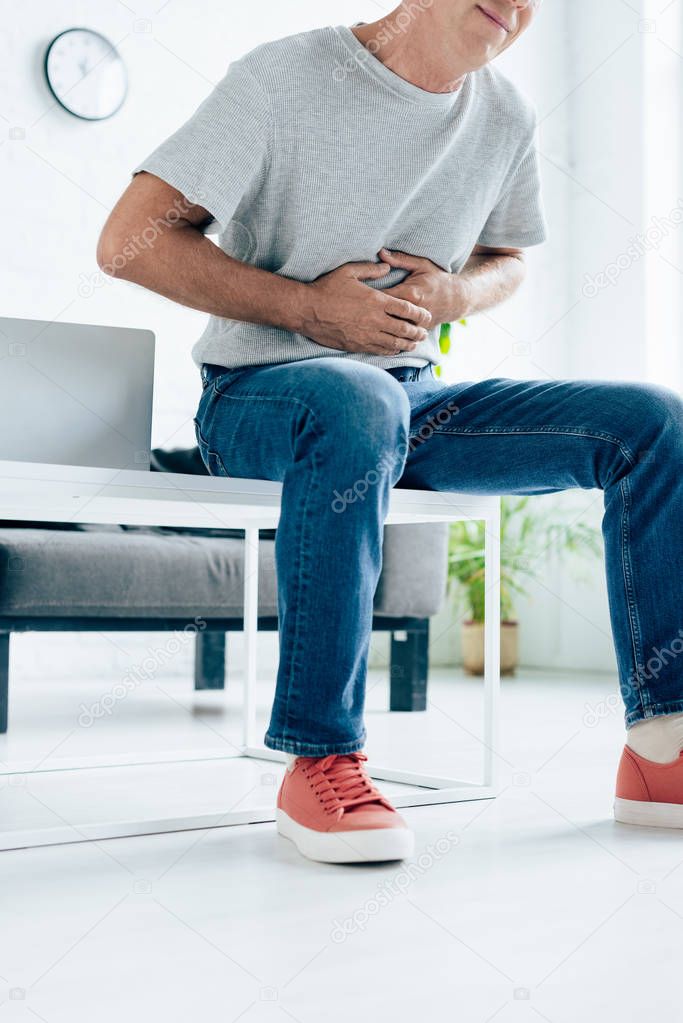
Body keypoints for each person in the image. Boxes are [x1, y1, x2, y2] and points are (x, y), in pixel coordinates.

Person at [98, 0, 683, 863]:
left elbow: (507, 261)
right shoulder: (283, 78)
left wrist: (455, 294)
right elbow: (127, 242)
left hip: (410, 402)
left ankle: (661, 750)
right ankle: (318, 755)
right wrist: (304, 308)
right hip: (258, 395)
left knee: (651, 421)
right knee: (354, 404)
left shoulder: (503, 114)